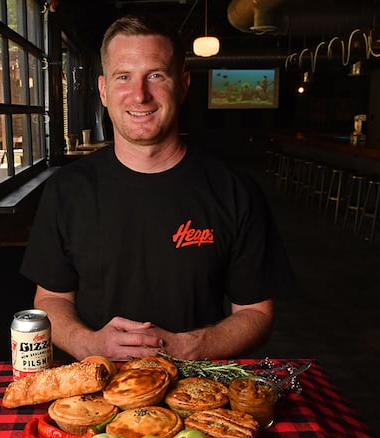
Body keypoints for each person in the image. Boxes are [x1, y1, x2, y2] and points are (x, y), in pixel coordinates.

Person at [21, 14, 294, 362]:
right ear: (104, 90)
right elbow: (50, 299)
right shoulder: (67, 191)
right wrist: (90, 344)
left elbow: (256, 312)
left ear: (182, 85)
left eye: (155, 75)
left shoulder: (235, 191)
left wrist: (187, 348)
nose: (140, 95)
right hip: (98, 389)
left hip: (197, 392)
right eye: (124, 77)